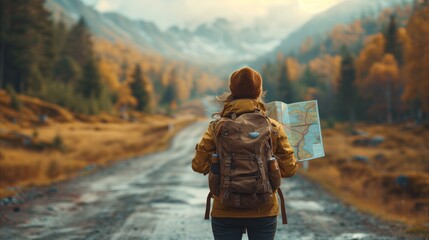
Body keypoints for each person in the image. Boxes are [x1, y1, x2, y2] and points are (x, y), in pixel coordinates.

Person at [192, 66, 298, 240]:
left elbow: (198, 165)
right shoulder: (273, 126)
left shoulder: (216, 127)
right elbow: (289, 170)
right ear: (259, 92)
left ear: (232, 91)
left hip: (225, 210)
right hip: (263, 210)